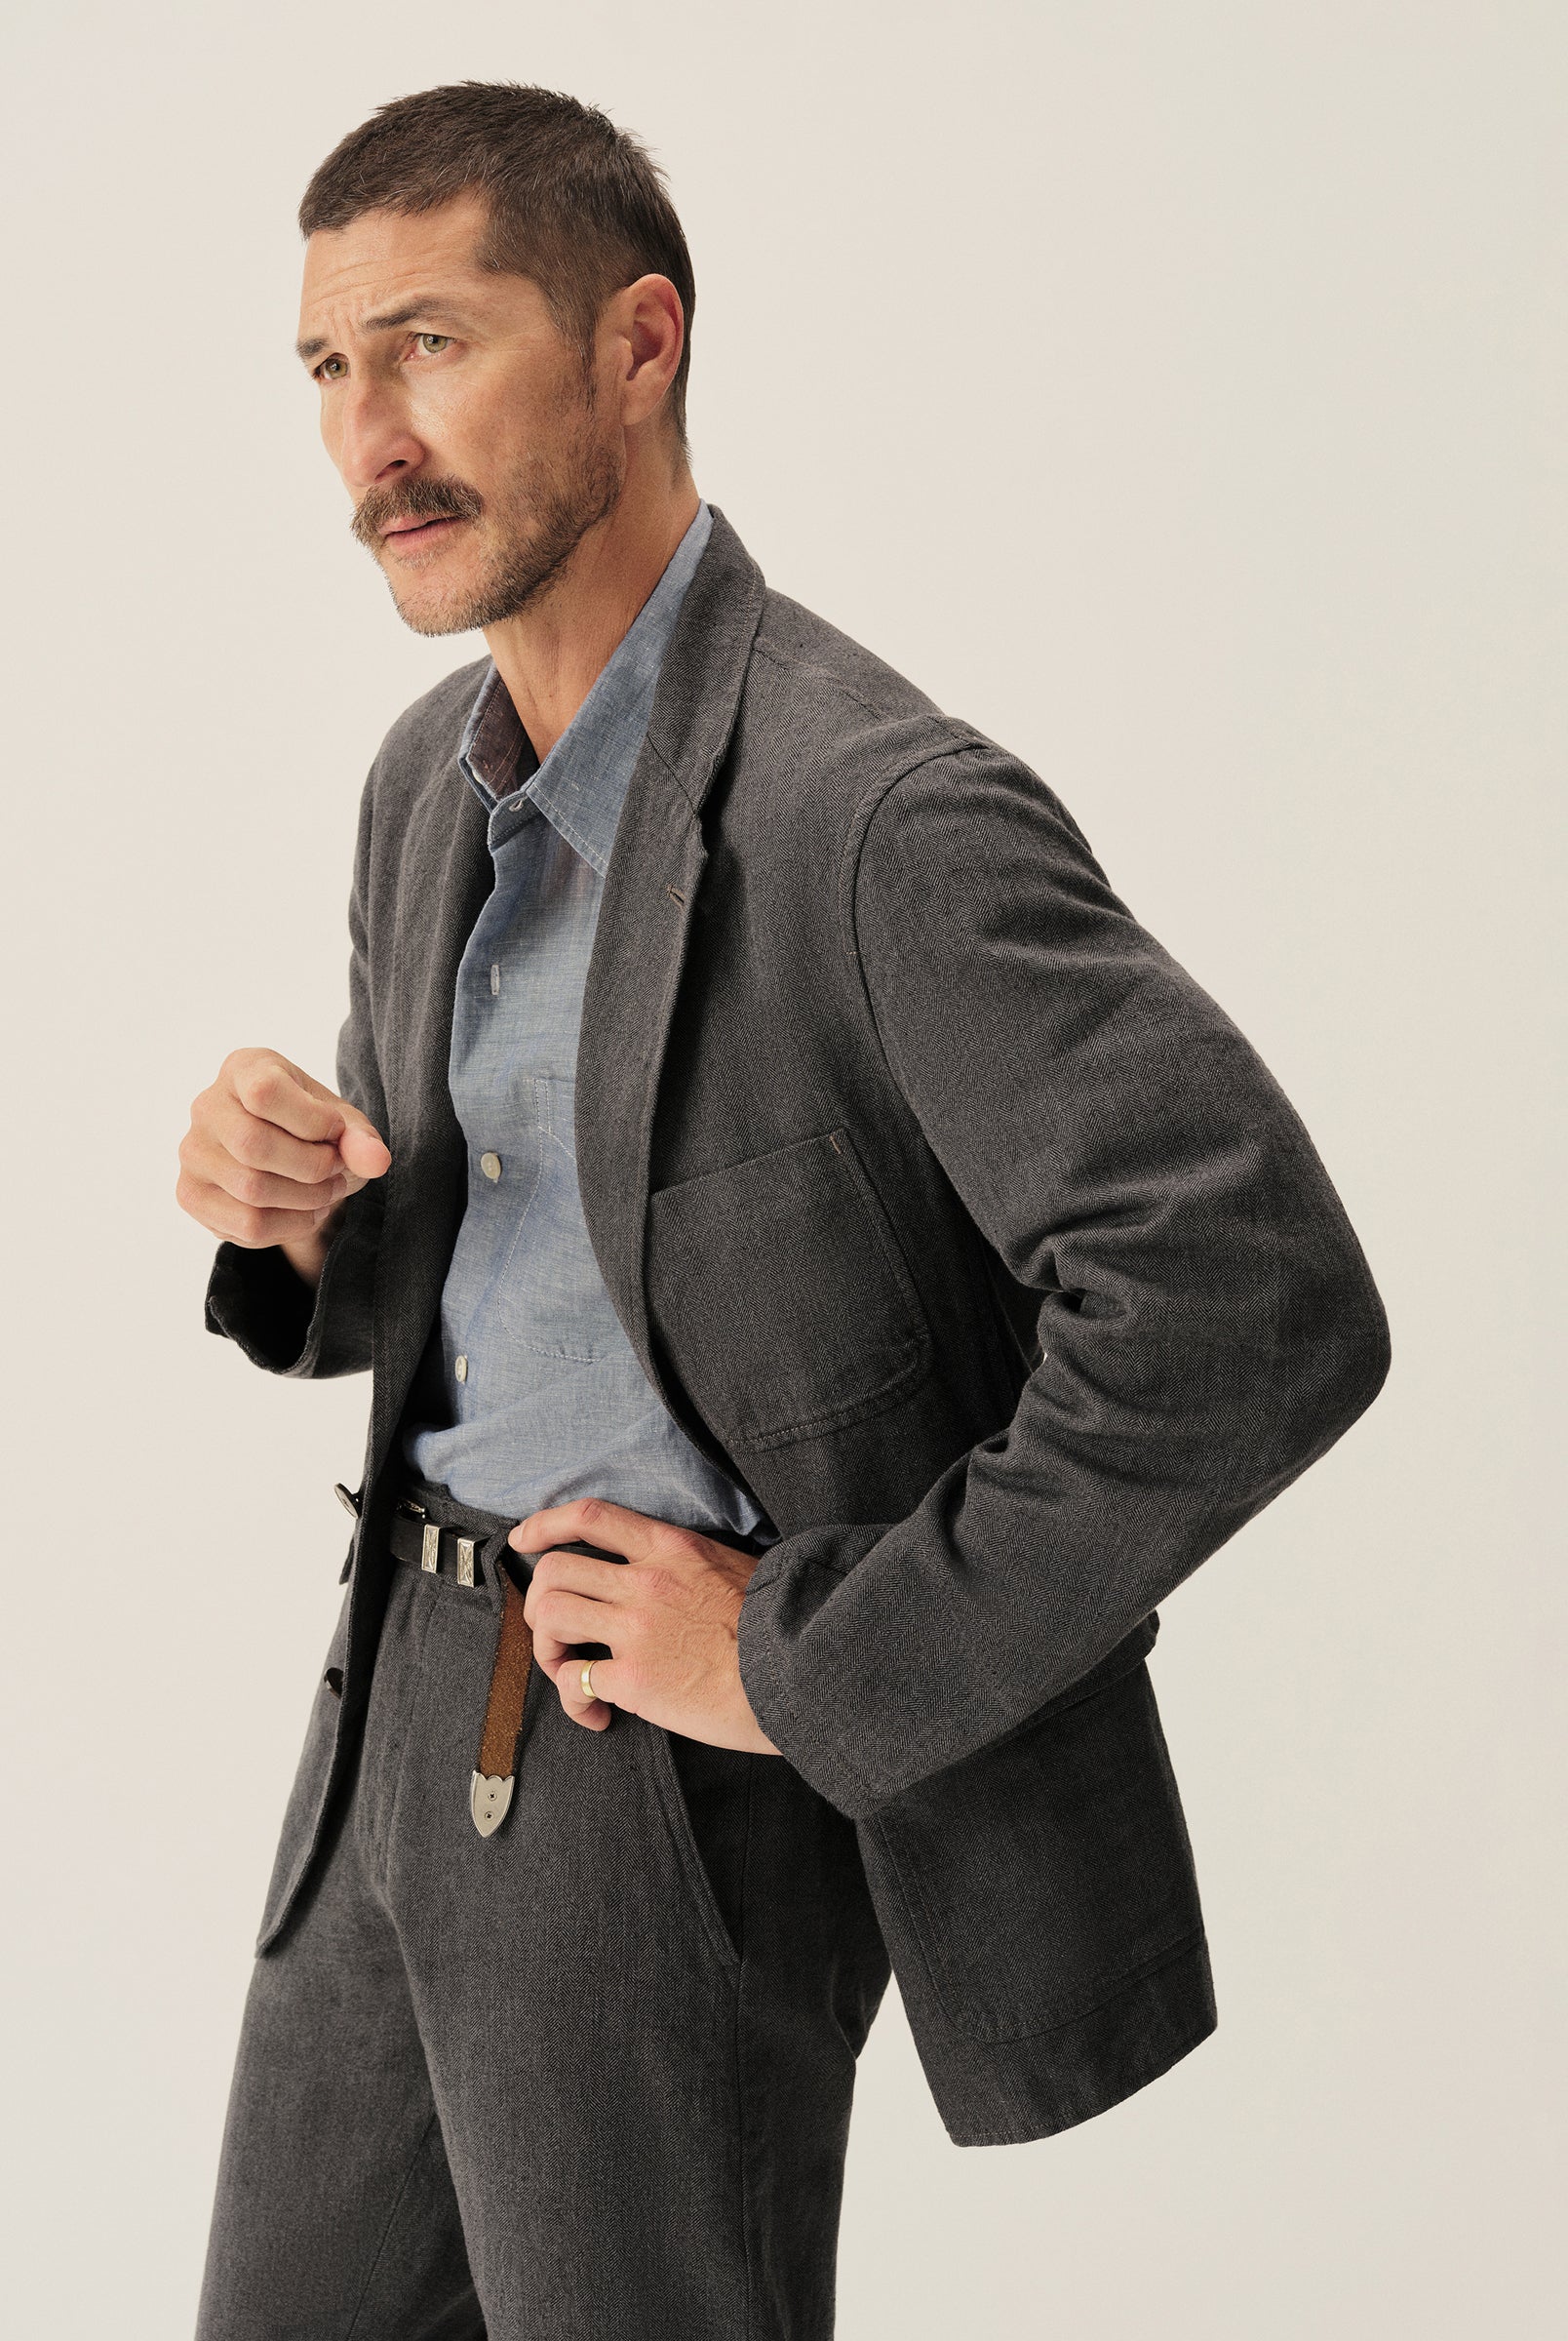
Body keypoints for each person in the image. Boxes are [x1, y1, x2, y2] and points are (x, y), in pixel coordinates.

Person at [176, 81, 1390, 2341]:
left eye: (431, 344)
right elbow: (479, 1265)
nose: (369, 440)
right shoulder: (425, 788)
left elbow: (1251, 1301)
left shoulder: (875, 821)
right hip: (379, 1742)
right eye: (330, 368)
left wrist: (815, 1659)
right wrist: (294, 1216)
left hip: (646, 1793)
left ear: (639, 344)